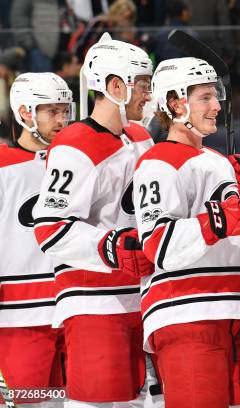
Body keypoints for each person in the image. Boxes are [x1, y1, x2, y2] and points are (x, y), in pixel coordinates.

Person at [134, 56, 240, 407]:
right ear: (175, 102)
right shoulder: (157, 163)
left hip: (238, 312)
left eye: (216, 96)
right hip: (186, 316)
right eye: (205, 97)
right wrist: (218, 222)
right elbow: (159, 245)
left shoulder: (219, 162)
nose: (217, 106)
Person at [32, 33, 156, 406]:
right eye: (143, 86)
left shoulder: (141, 136)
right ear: (116, 87)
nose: (148, 95)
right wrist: (110, 245)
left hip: (142, 299)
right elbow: (49, 228)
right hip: (93, 303)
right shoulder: (75, 143)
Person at [0, 72, 73, 406]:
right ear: (26, 112)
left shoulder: (76, 161)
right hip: (19, 317)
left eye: (64, 111)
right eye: (51, 111)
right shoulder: (3, 167)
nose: (61, 120)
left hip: (72, 311)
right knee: (29, 402)